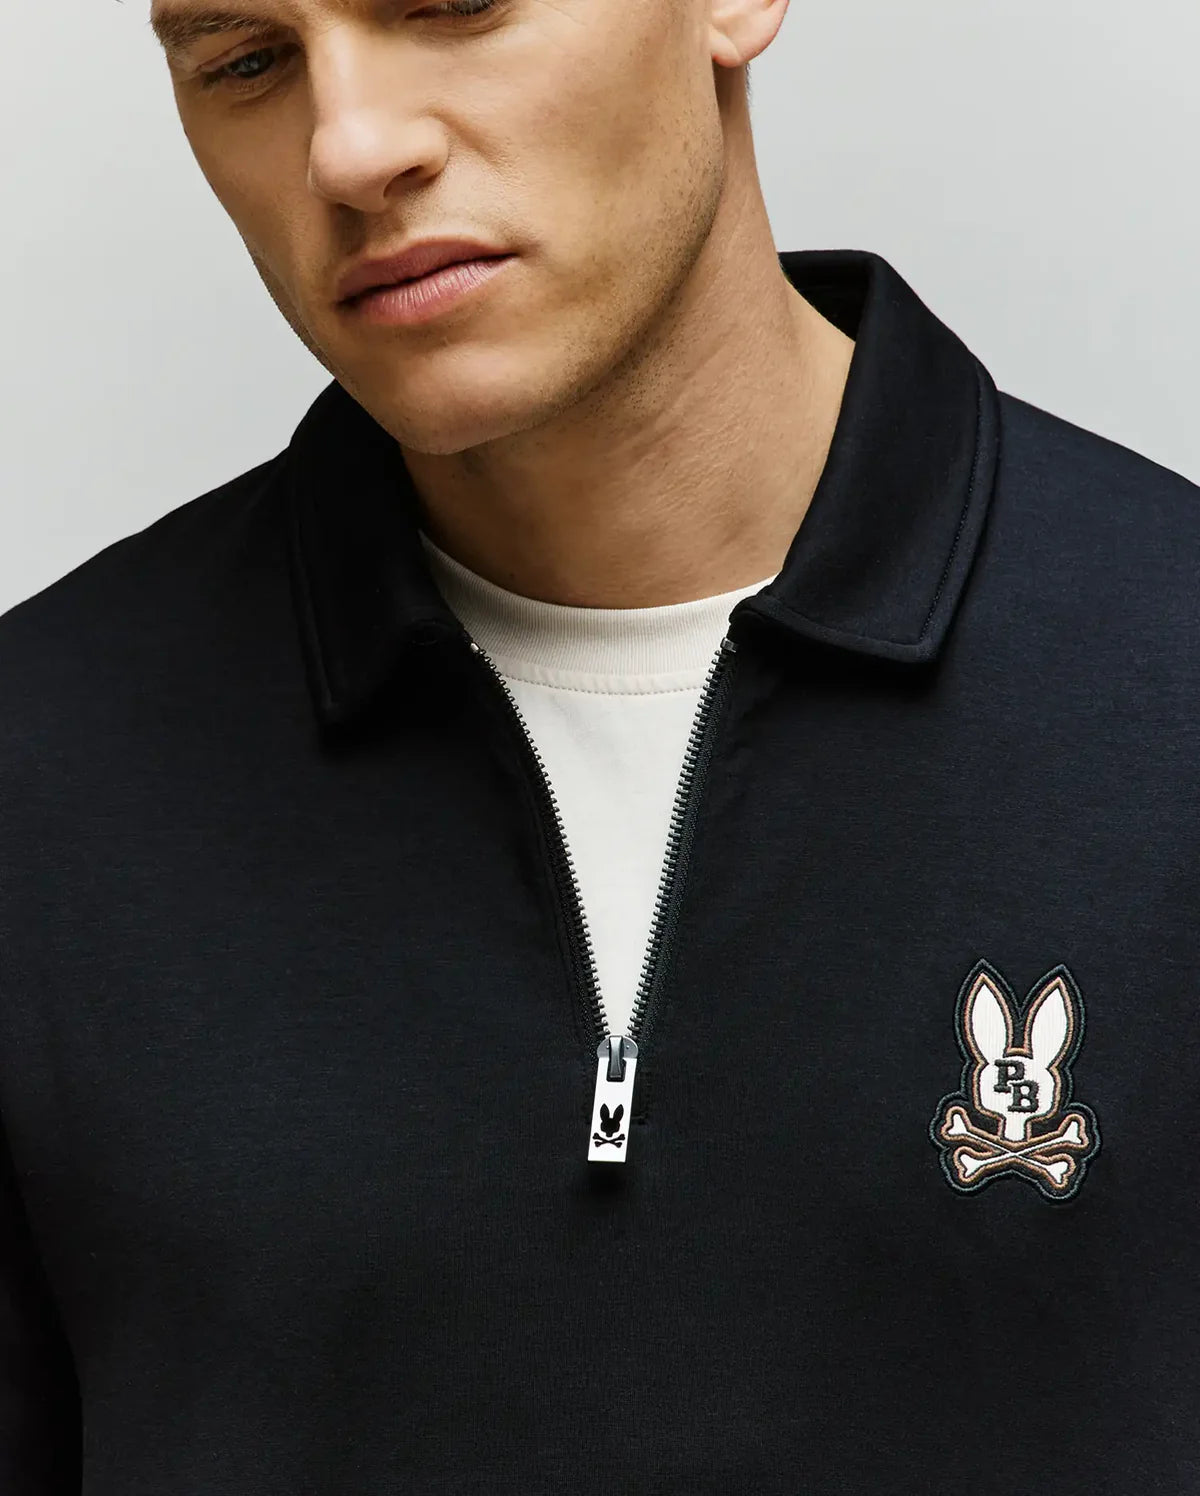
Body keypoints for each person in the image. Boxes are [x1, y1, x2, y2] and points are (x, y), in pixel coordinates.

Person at [2, 0, 1198, 1490]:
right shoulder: (39, 782)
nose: (349, 148)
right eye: (246, 60)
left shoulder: (1164, 684)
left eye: (451, 5)